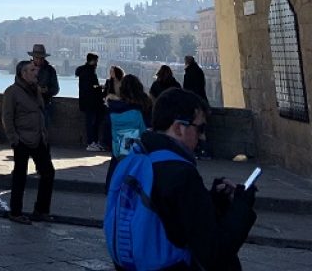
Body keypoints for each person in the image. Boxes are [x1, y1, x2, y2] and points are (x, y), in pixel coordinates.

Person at [105, 88, 256, 271]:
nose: (203, 137)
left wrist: (213, 200)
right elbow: (214, 253)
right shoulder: (181, 174)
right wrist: (242, 205)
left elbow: (171, 218)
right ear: (178, 127)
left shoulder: (134, 159)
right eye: (200, 128)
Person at [2, 59, 56, 225]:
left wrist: (44, 135)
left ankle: (41, 210)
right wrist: (14, 139)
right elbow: (7, 117)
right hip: (22, 140)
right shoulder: (12, 92)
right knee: (20, 176)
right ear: (23, 73)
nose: (36, 73)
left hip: (39, 138)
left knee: (48, 172)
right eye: (32, 70)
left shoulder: (36, 90)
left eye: (36, 70)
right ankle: (16, 212)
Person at [104, 74, 152, 192]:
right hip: (139, 156)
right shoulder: (144, 107)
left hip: (118, 156)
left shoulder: (113, 109)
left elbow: (105, 135)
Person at [76, 53, 106, 152]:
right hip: (91, 102)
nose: (97, 63)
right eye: (96, 61)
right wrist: (100, 87)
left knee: (91, 122)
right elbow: (91, 87)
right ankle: (91, 143)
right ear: (93, 61)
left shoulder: (83, 71)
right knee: (91, 123)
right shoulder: (90, 72)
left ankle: (93, 142)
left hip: (86, 101)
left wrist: (96, 87)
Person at [29, 44, 59, 126]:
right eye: (36, 58)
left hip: (44, 105)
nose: (39, 61)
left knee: (43, 131)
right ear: (33, 57)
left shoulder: (50, 70)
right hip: (27, 106)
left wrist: (47, 90)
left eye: (41, 58)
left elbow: (56, 89)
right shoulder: (26, 68)